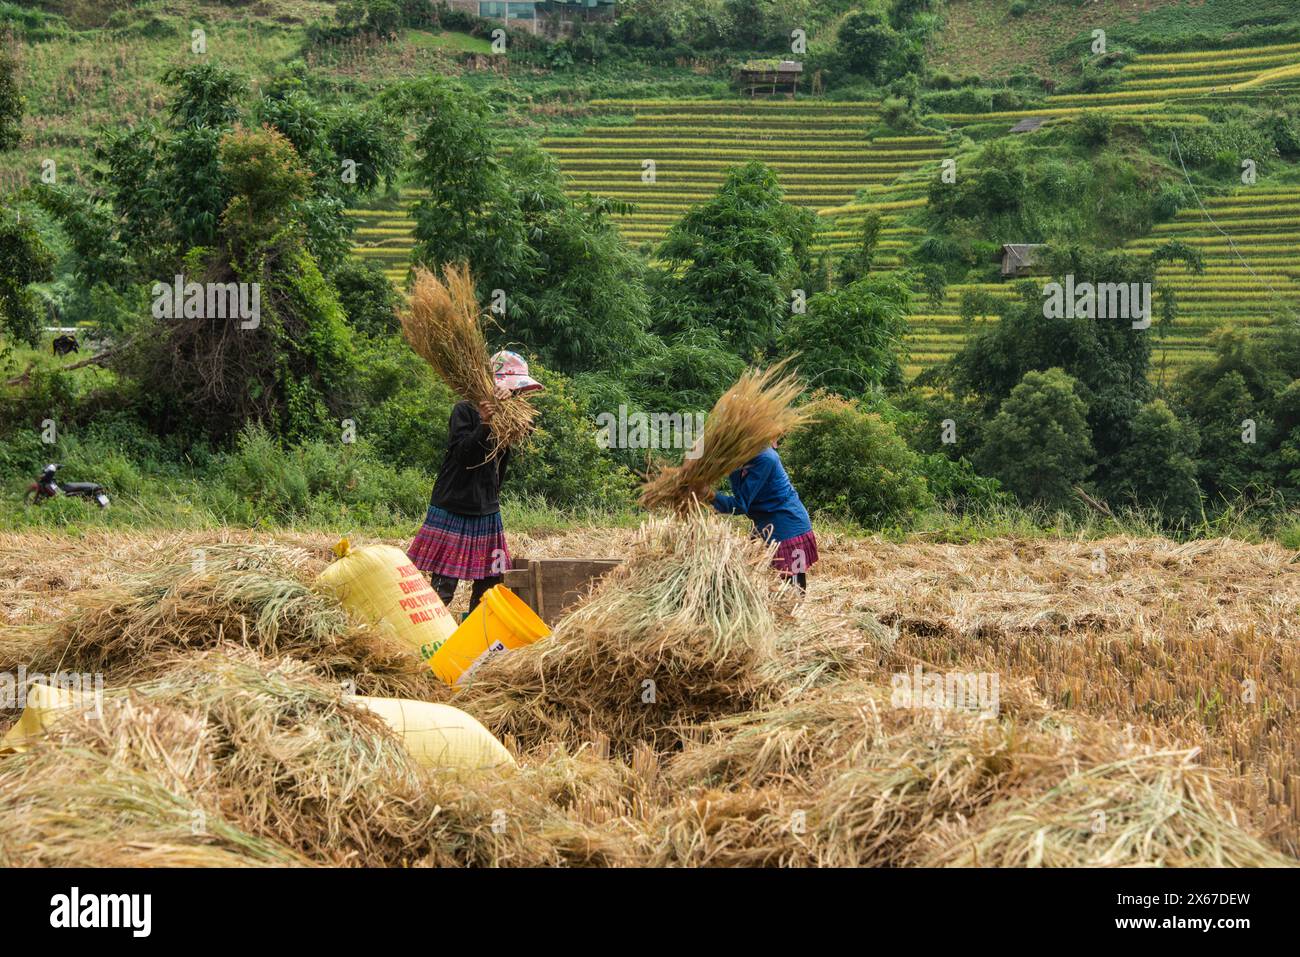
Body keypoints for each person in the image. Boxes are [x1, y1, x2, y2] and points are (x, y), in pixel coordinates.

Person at [408, 351, 543, 615]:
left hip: (486, 510)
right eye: (514, 390)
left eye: (517, 392)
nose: (517, 396)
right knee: (444, 585)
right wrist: (484, 423)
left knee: (490, 583)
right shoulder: (465, 410)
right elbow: (463, 455)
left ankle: (474, 633)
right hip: (454, 506)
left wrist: (506, 412)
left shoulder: (509, 416)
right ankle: (433, 632)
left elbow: (520, 437)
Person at [706, 442, 818, 591]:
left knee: (795, 587)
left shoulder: (766, 458)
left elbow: (740, 504)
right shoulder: (739, 460)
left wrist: (709, 495)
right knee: (758, 578)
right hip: (765, 525)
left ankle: (792, 613)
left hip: (788, 527)